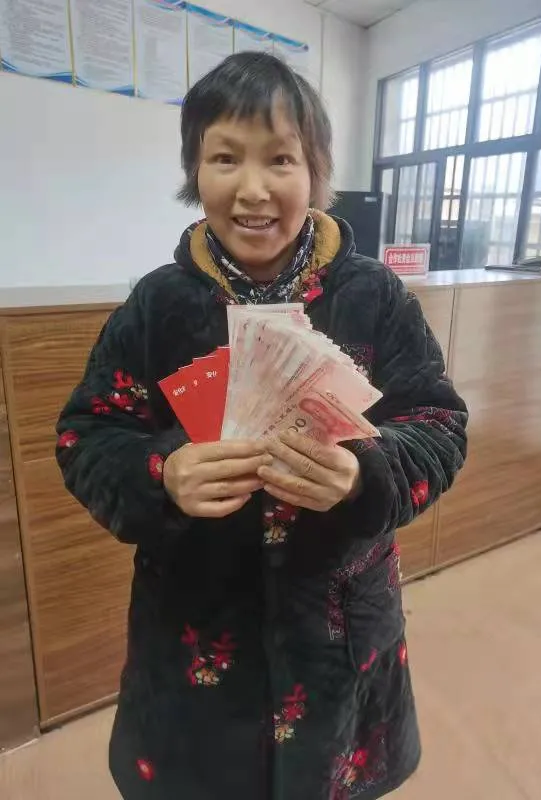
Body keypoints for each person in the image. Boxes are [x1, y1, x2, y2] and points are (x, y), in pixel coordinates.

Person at [56, 52, 468, 800]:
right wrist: (162, 474)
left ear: (315, 172)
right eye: (225, 158)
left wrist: (366, 471)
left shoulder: (374, 296)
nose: (253, 188)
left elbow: (439, 424)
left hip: (338, 632)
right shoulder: (156, 306)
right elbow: (86, 435)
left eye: (280, 159)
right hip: (196, 639)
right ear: (195, 170)